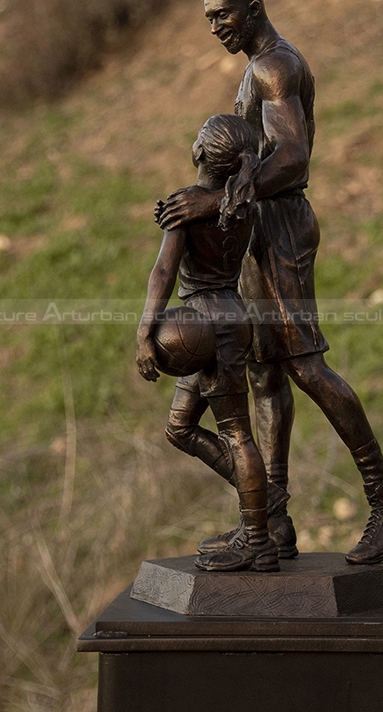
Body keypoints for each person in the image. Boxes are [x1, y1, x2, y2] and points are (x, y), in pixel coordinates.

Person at [157, 0, 383, 565]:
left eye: (223, 16)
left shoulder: (276, 68)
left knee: (304, 365)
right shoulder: (257, 70)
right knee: (264, 374)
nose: (216, 27)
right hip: (258, 229)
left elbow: (294, 157)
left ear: (254, 11)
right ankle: (272, 519)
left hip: (280, 229)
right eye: (208, 20)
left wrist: (212, 201)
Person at [137, 114, 279, 572]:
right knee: (179, 429)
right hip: (230, 315)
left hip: (207, 322)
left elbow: (162, 271)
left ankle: (258, 538)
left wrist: (144, 331)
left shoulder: (187, 204)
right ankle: (262, 498)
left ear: (200, 153)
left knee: (235, 432)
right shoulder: (240, 204)